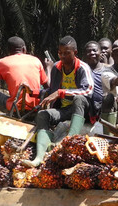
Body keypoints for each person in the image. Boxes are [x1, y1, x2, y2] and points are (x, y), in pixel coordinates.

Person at [29, 36, 95, 167]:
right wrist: (33, 92)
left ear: (75, 53)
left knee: (79, 98)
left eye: (66, 53)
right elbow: (51, 91)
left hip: (82, 110)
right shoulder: (56, 68)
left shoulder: (83, 67)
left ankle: (69, 141)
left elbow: (88, 90)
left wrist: (61, 92)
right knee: (43, 115)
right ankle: (39, 156)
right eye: (60, 53)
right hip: (64, 110)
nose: (62, 56)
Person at [0, 36, 48, 118]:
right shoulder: (36, 60)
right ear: (24, 49)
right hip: (36, 108)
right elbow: (47, 85)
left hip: (15, 108)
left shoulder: (3, 63)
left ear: (8, 51)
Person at [82, 41, 106, 120]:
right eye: (88, 51)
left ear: (100, 53)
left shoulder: (107, 69)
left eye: (94, 50)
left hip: (104, 108)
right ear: (85, 55)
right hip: (86, 108)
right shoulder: (81, 70)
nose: (92, 53)